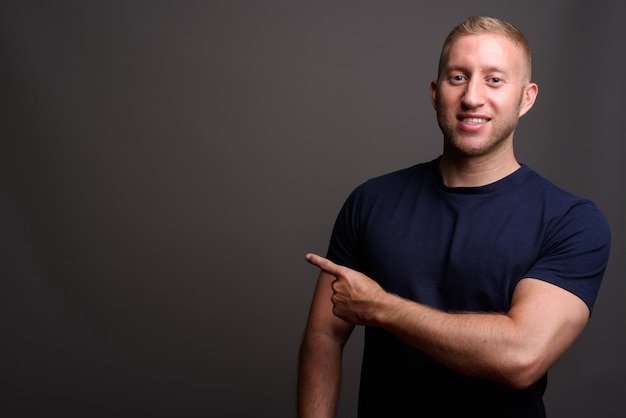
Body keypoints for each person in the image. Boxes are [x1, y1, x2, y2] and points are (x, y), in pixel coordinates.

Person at [297, 15, 611, 418]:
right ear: (435, 92)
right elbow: (323, 336)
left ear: (526, 98)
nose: (472, 98)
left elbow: (521, 356)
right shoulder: (370, 201)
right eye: (458, 77)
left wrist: (381, 308)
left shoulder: (572, 221)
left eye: (494, 80)